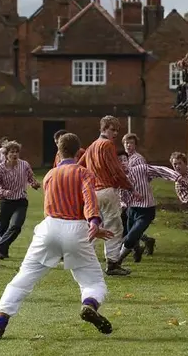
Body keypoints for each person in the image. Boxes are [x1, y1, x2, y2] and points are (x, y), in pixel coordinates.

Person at [0, 133, 114, 340]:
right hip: (76, 229)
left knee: (22, 280)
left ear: (59, 150)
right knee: (93, 282)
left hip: (49, 228)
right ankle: (89, 305)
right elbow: (89, 198)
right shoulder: (84, 173)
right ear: (78, 151)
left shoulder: (49, 175)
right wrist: (94, 222)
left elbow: (50, 206)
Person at [78, 116, 135, 276]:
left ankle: (80, 257)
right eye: (112, 129)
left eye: (117, 130)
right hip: (107, 191)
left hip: (92, 193)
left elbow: (78, 167)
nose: (115, 133)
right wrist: (129, 187)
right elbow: (116, 169)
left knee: (95, 227)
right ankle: (112, 263)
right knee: (114, 227)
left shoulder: (91, 147)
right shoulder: (107, 145)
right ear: (103, 129)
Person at [116, 150, 182, 267]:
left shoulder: (140, 169)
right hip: (131, 210)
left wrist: (177, 177)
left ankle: (118, 260)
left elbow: (159, 170)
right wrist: (122, 205)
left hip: (146, 210)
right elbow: (122, 198)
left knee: (131, 236)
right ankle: (137, 250)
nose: (123, 163)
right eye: (119, 161)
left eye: (125, 160)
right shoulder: (118, 179)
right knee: (131, 235)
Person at [0, 141, 41, 259]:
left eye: (16, 152)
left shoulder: (24, 165)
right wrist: (3, 192)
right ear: (6, 154)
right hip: (5, 202)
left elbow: (30, 178)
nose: (14, 154)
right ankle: (2, 252)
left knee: (16, 226)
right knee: (2, 228)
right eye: (12, 152)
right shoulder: (0, 169)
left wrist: (34, 184)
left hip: (21, 201)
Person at [121, 133, 156, 254]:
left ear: (135, 145)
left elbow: (147, 175)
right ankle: (141, 244)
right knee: (128, 225)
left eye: (130, 143)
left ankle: (137, 247)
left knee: (130, 225)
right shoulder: (125, 158)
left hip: (139, 196)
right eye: (126, 143)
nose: (128, 145)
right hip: (129, 197)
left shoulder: (138, 159)